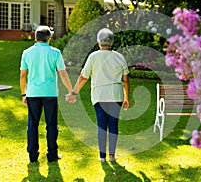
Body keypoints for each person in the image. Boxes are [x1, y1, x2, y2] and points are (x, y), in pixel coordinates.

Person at [72, 28, 130, 162]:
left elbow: (83, 77)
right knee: (113, 125)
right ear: (112, 43)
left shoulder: (93, 56)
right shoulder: (119, 57)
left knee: (101, 126)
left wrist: (74, 92)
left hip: (99, 96)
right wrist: (126, 97)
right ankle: (112, 156)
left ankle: (102, 156)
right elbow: (125, 80)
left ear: (99, 43)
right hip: (116, 96)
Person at [20, 25, 75, 163]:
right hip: (50, 93)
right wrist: (71, 90)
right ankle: (52, 154)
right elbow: (62, 73)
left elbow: (23, 76)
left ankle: (33, 156)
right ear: (49, 39)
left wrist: (23, 94)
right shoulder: (55, 53)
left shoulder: (27, 52)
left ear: (35, 37)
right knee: (51, 124)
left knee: (32, 124)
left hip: (32, 93)